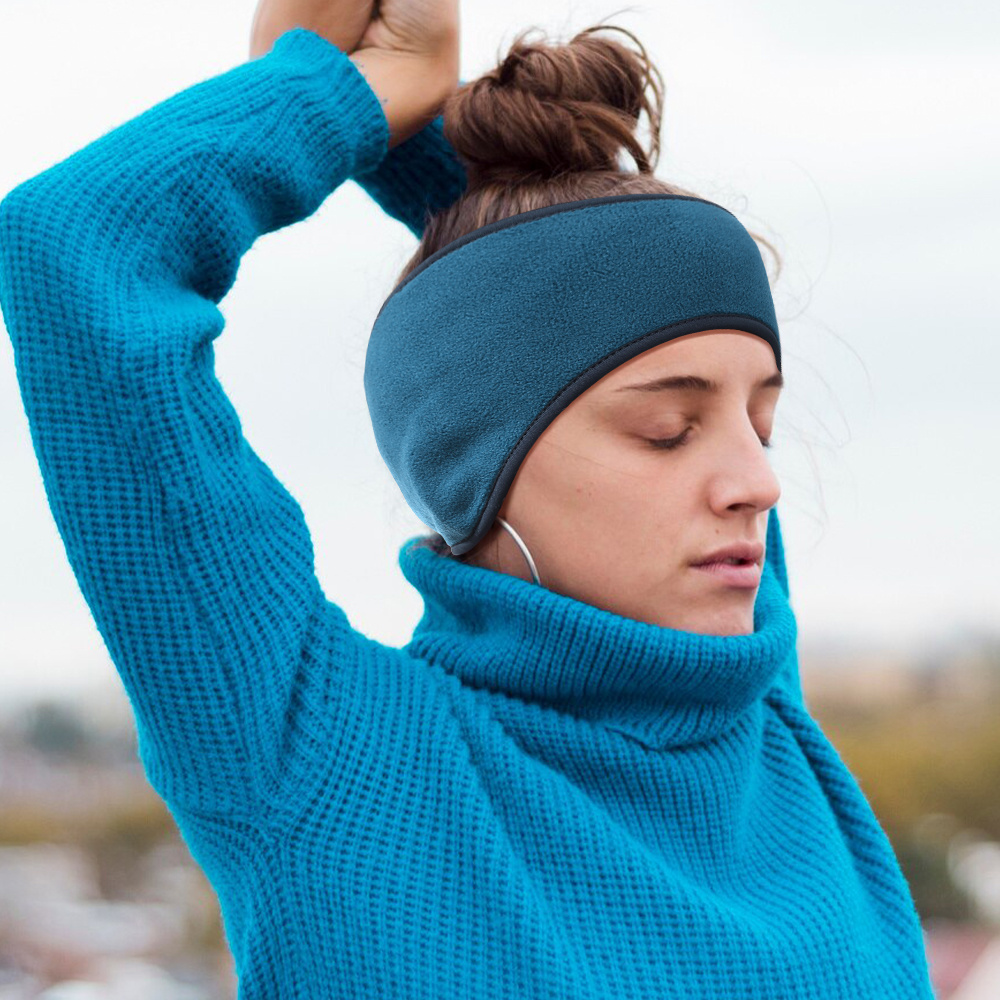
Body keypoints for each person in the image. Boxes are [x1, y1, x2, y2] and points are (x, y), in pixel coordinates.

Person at [0, 0, 937, 996]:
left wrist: (424, 136)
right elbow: (78, 246)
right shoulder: (326, 763)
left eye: (762, 421)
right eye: (668, 430)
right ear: (475, 468)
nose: (757, 482)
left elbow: (574, 276)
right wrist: (334, 100)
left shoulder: (754, 704)